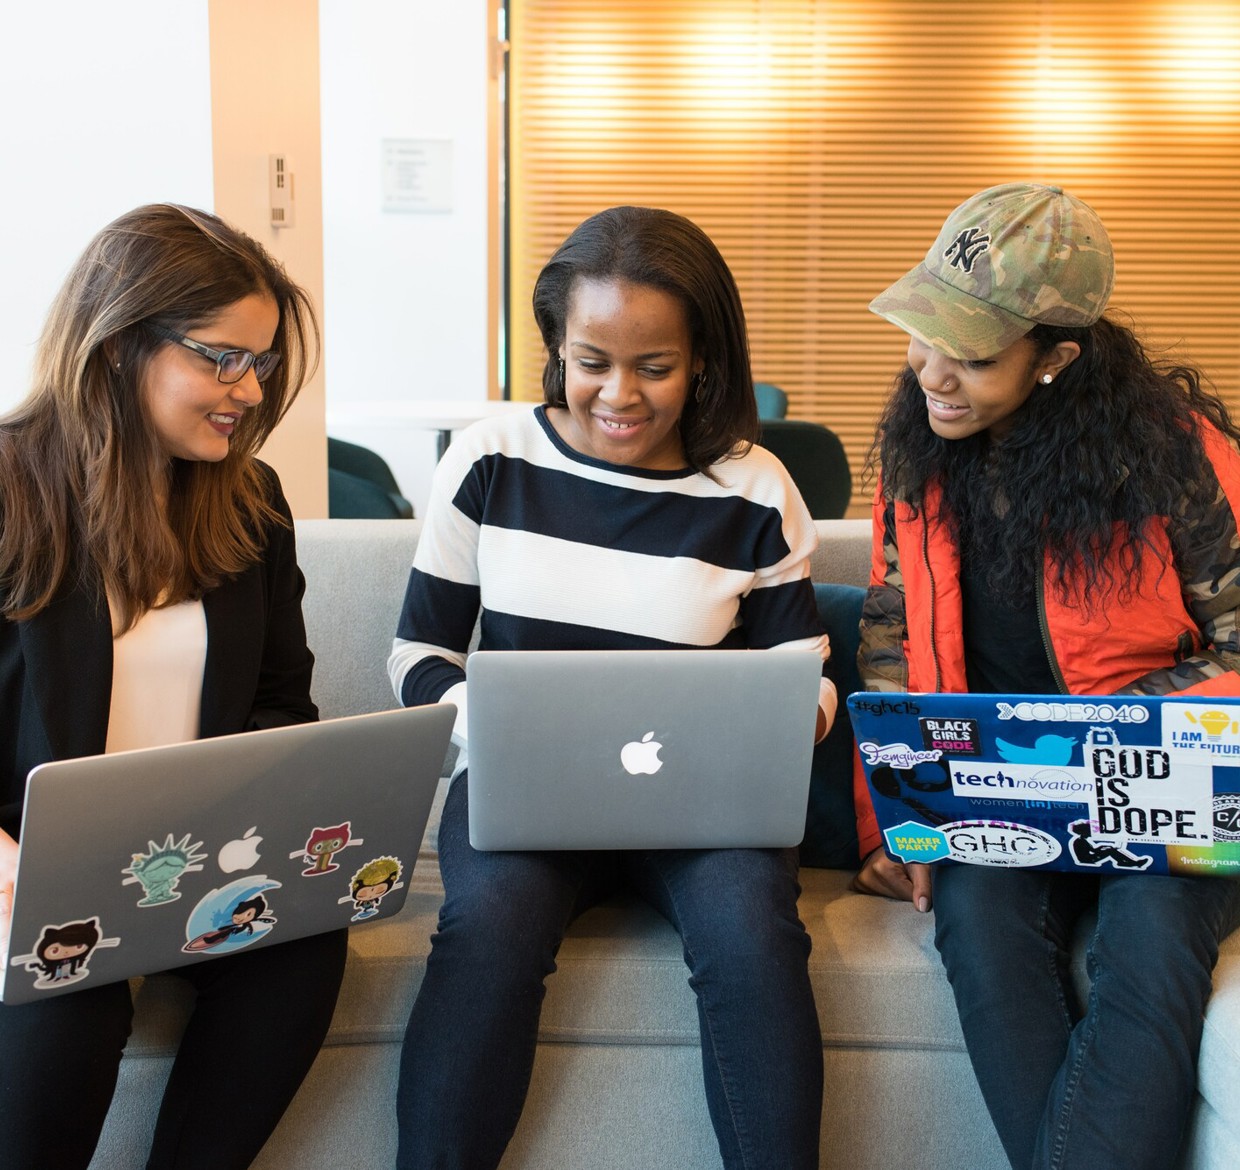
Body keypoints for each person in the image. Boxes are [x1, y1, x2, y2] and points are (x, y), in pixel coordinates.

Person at [389, 205, 835, 1170]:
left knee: (755, 939)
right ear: (556, 347)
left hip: (706, 805)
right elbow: (418, 653)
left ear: (705, 358)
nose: (619, 395)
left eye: (655, 367)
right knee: (487, 932)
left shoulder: (754, 489)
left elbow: (803, 666)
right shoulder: (491, 458)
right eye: (592, 360)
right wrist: (488, 722)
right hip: (524, 796)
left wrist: (799, 709)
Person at [852, 181, 1240, 1169]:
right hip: (1002, 796)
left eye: (972, 355)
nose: (931, 371)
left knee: (1150, 941)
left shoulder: (1178, 460)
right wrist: (891, 826)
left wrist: (1111, 725)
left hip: (1169, 797)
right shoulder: (915, 458)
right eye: (922, 334)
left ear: (1058, 358)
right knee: (977, 926)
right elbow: (891, 645)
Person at [0, 203, 348, 1168]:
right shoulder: (9, 491)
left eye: (263, 361)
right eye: (221, 357)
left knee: (303, 952)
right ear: (118, 345)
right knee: (62, 1010)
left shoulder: (250, 498)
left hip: (198, 859)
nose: (249, 389)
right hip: (27, 872)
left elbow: (284, 700)